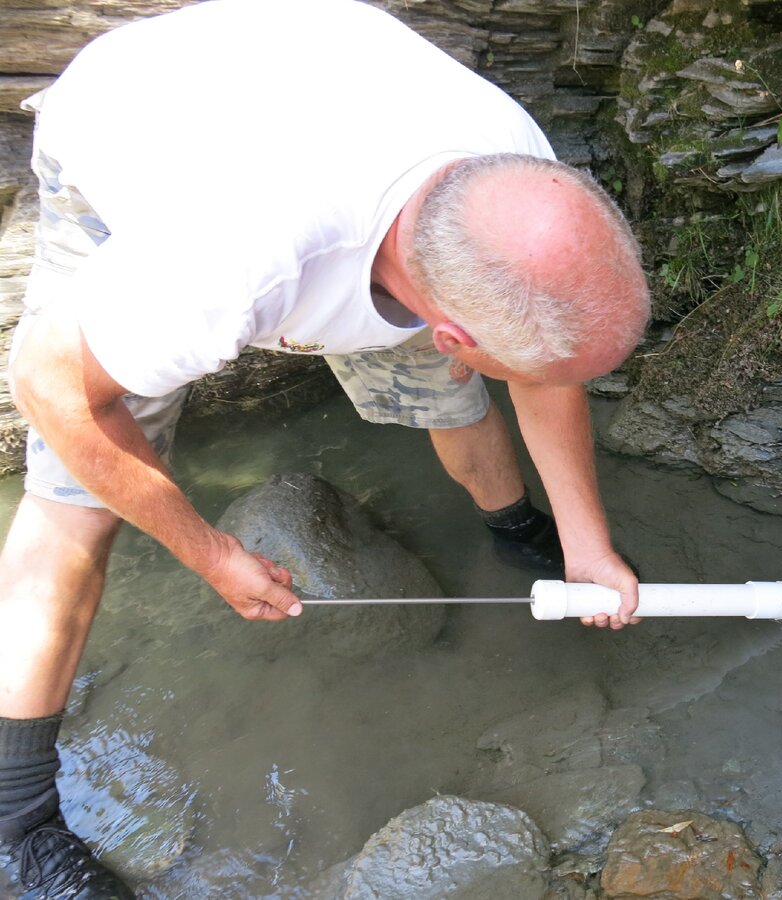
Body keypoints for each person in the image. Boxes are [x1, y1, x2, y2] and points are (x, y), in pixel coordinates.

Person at [0, 0, 651, 895]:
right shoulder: (219, 266)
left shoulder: (519, 187)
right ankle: (14, 815)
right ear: (449, 327)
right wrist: (212, 552)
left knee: (461, 400)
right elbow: (51, 387)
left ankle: (517, 530)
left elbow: (545, 370)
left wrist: (587, 545)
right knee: (72, 508)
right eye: (486, 352)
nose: (540, 378)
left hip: (320, 98)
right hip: (138, 116)